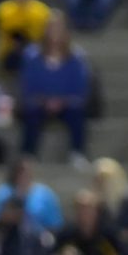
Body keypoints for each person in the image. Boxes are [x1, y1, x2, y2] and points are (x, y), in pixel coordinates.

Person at [18, 12, 92, 162]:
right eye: (51, 28)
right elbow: (28, 86)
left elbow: (79, 88)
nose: (55, 32)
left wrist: (62, 101)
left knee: (77, 113)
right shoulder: (32, 56)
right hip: (40, 103)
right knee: (31, 113)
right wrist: (45, 101)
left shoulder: (76, 58)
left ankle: (77, 154)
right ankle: (28, 155)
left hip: (67, 104)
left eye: (59, 28)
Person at [0, 157, 63, 233]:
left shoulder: (45, 194)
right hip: (5, 238)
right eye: (19, 171)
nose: (23, 175)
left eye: (26, 171)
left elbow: (55, 224)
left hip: (38, 239)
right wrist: (5, 218)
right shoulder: (0, 194)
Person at [0, 0, 52, 73]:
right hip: (10, 52)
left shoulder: (43, 11)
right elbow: (6, 33)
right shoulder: (3, 10)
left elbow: (44, 36)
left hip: (36, 50)